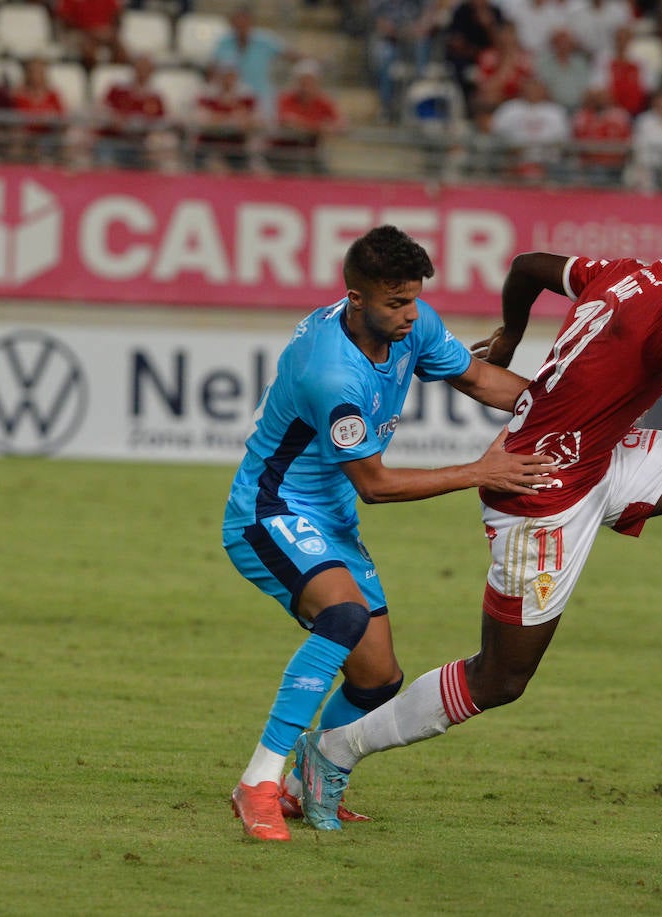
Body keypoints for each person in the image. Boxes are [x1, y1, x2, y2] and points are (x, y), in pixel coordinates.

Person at [288, 198, 662, 832]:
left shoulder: (623, 270)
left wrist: (509, 334)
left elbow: (527, 266)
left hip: (598, 456)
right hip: (543, 490)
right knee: (498, 679)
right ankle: (331, 753)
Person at [224, 225, 559, 841]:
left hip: (329, 519)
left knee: (377, 679)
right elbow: (376, 485)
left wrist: (573, 411)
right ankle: (258, 782)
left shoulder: (415, 322)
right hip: (270, 512)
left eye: (413, 299)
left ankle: (300, 789)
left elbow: (483, 381)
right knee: (345, 618)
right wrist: (481, 471)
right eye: (395, 303)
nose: (410, 315)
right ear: (356, 298)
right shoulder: (332, 374)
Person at [271, 58, 345, 174]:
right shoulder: (285, 99)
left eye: (310, 81)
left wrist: (309, 126)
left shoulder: (323, 101)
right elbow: (287, 122)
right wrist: (319, 128)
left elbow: (340, 123)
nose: (306, 86)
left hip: (310, 152)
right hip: (283, 152)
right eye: (302, 82)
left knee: (325, 176)